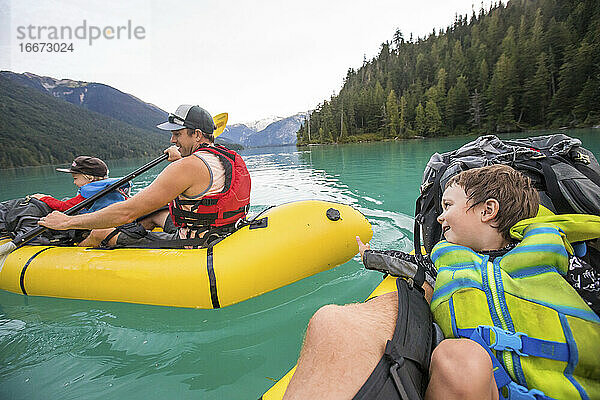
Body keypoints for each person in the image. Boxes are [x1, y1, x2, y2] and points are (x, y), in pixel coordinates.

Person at [283, 164, 600, 400]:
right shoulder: (444, 263)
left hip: (572, 389)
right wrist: (370, 256)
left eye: (448, 206)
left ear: (488, 211)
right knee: (457, 357)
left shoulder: (556, 254)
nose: (439, 217)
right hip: (488, 387)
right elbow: (410, 266)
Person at [40, 104, 251, 249]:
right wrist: (181, 154)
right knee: (155, 213)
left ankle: (74, 253)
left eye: (177, 134)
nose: (171, 139)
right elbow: (199, 173)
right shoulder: (221, 157)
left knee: (99, 233)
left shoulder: (186, 167)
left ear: (196, 134)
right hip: (222, 229)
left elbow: (126, 212)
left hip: (196, 241)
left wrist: (68, 222)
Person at [31, 156, 129, 213]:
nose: (74, 182)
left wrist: (44, 198)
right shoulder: (112, 188)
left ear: (89, 178)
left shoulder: (90, 192)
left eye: (75, 178)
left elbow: (63, 206)